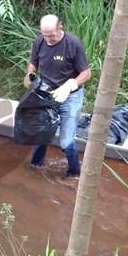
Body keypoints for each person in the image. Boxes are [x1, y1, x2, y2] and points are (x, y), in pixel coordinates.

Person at [24, 14, 91, 178]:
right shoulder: (40, 41)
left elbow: (86, 73)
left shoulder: (73, 43)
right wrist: (30, 75)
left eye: (51, 36)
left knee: (66, 141)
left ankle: (74, 174)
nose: (47, 39)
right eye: (44, 35)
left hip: (70, 97)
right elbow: (33, 63)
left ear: (60, 29)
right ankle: (36, 166)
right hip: (47, 94)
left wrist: (70, 85)